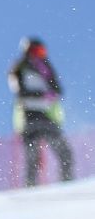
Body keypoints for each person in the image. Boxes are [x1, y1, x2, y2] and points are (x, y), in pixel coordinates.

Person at [8, 36, 75, 185]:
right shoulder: (20, 67)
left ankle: (67, 183)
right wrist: (42, 94)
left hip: (48, 115)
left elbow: (57, 89)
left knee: (64, 152)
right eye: (37, 51)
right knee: (33, 156)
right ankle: (31, 188)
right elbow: (20, 92)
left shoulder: (46, 68)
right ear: (28, 50)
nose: (40, 54)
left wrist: (52, 93)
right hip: (29, 116)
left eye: (42, 51)